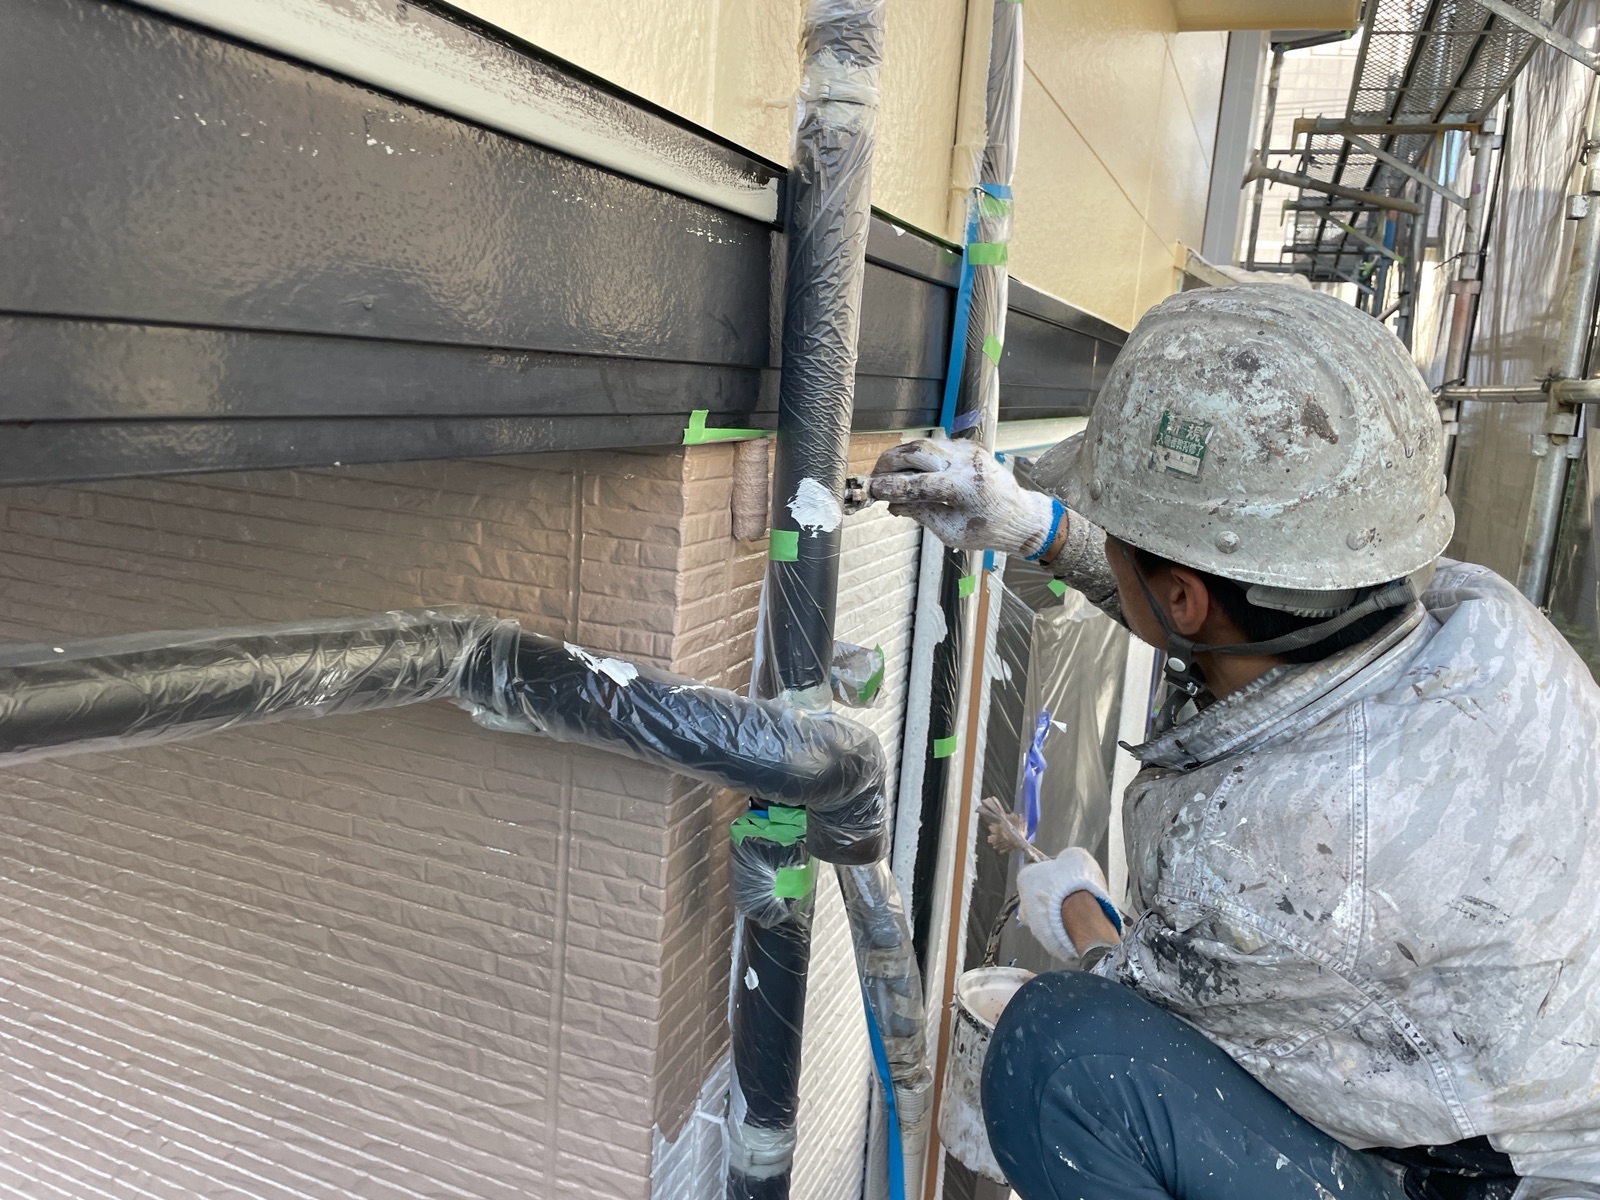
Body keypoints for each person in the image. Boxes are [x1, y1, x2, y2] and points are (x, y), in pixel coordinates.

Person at [869, 286, 1600, 1200]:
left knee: (1058, 1060)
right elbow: (1227, 612)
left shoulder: (1261, 851)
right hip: (1533, 1080)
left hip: (1505, 1177)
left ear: (1182, 596)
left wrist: (1080, 912)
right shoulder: (1476, 617)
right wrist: (1044, 532)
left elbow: (1147, 1012)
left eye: (1118, 541)